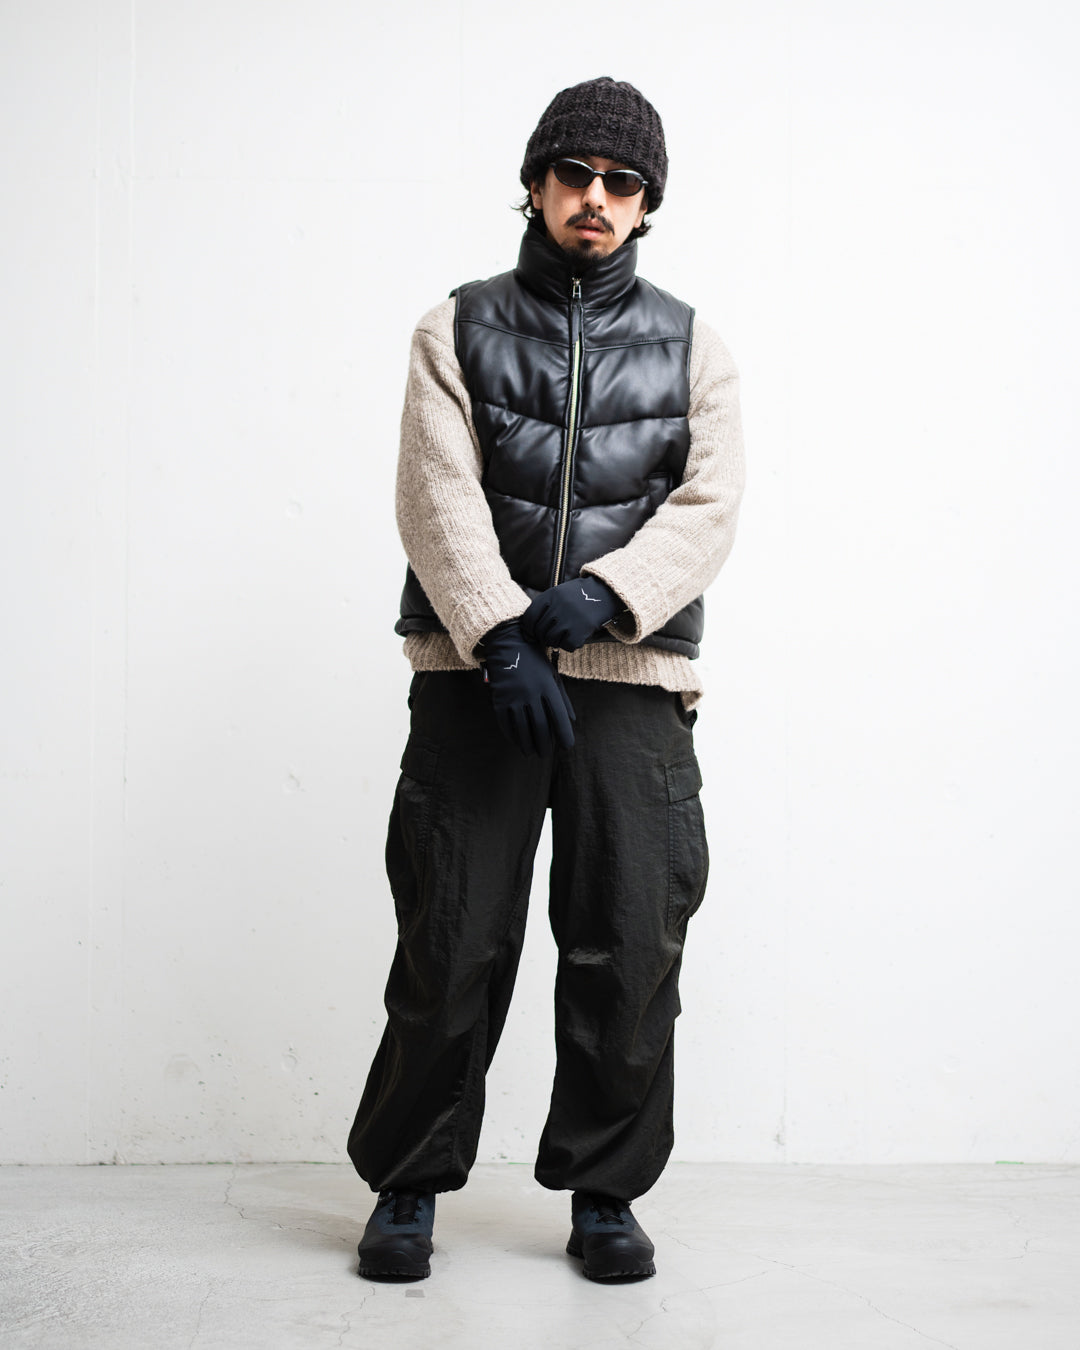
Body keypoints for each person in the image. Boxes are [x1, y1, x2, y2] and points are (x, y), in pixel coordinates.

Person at [347, 76, 745, 1282]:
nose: (596, 198)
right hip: (480, 681)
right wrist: (502, 637)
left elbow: (712, 504)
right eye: (576, 173)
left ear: (647, 204)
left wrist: (604, 597)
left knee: (629, 941)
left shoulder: (693, 343)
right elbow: (435, 492)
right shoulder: (455, 325)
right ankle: (409, 1181)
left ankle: (605, 1194)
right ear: (535, 183)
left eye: (622, 183)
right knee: (452, 934)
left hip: (634, 682)